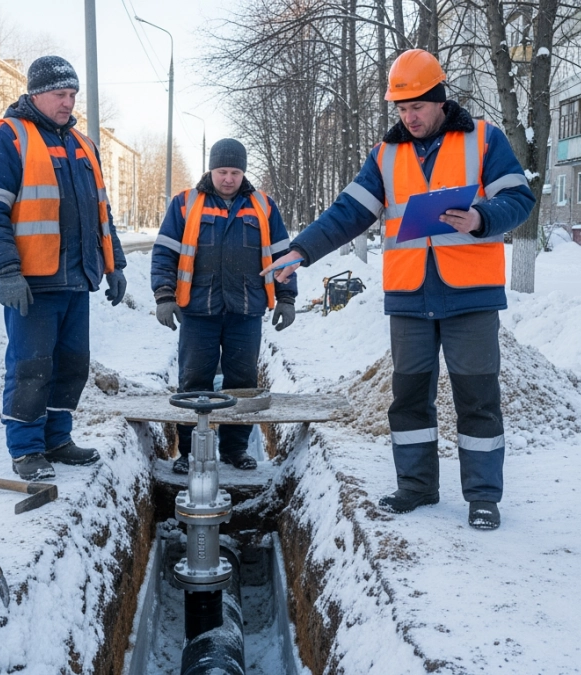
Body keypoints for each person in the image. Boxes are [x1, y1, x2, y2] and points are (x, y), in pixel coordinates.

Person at [269, 49, 534, 530]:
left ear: (439, 100)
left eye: (417, 107)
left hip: (470, 293)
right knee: (409, 395)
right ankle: (416, 486)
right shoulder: (386, 155)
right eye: (401, 109)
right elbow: (348, 213)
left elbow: (519, 199)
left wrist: (480, 218)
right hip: (411, 295)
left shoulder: (484, 139)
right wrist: (302, 250)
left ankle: (482, 496)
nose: (409, 117)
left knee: (477, 397)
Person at [0, 55, 128, 481]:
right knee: (31, 366)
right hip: (33, 282)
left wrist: (114, 263)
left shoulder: (83, 145)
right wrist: (6, 270)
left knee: (72, 364)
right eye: (61, 94)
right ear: (37, 93)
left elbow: (101, 211)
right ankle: (25, 449)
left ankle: (58, 439)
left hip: (77, 278)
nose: (68, 102)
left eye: (73, 94)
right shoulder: (6, 138)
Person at [151, 138, 298, 475]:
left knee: (241, 381)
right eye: (222, 171)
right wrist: (164, 295)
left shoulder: (263, 205)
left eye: (234, 172)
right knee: (194, 382)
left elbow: (282, 257)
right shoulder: (186, 203)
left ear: (243, 172)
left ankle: (235, 449)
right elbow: (165, 253)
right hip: (198, 310)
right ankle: (188, 451)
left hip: (245, 310)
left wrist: (287, 297)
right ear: (211, 170)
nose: (228, 178)